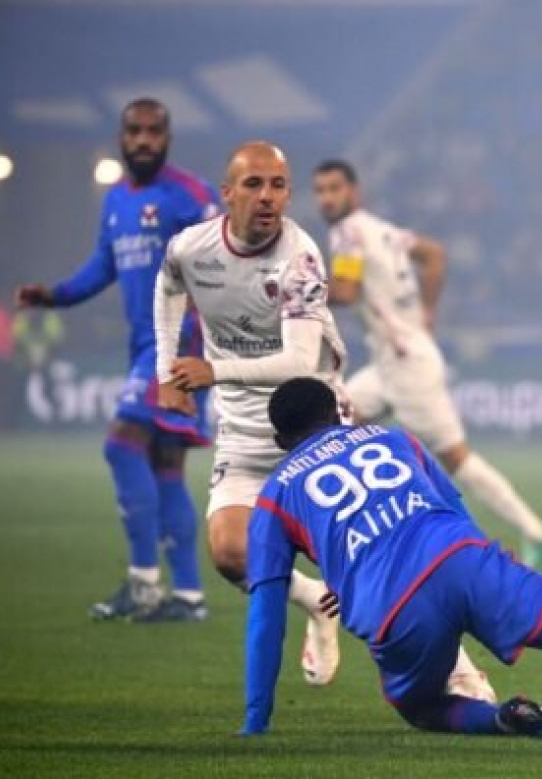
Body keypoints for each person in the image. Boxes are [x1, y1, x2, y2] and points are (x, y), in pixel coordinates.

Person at [238, 377, 542, 738]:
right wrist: (483, 555)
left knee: (422, 707)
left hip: (393, 609)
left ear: (280, 443)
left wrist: (256, 719)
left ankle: (502, 720)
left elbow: (266, 617)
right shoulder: (395, 439)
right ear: (337, 415)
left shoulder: (273, 497)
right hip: (465, 562)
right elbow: (452, 508)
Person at [16, 98, 217, 622]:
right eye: (135, 131)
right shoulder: (115, 201)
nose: (144, 140)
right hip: (142, 343)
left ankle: (144, 582)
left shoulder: (191, 196)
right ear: (122, 137)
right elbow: (102, 266)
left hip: (178, 341)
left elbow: (223, 259)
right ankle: (189, 596)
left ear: (168, 137)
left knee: (121, 444)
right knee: (165, 465)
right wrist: (53, 296)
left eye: (154, 131)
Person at [153, 141, 347, 684]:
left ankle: (460, 674)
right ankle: (316, 602)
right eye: (255, 184)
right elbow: (167, 284)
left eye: (279, 185)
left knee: (369, 564)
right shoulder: (190, 248)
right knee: (231, 553)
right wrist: (167, 371)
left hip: (314, 427)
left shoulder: (300, 258)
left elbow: (299, 361)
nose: (268, 197)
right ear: (228, 193)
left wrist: (212, 372)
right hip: (241, 430)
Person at [312, 159, 542, 567]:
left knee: (456, 457)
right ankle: (364, 530)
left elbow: (346, 290)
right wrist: (427, 310)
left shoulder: (347, 233)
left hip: (406, 361)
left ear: (354, 192)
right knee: (332, 423)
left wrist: (296, 289)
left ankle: (535, 532)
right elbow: (434, 254)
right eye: (320, 190)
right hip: (389, 359)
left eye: (334, 188)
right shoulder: (384, 231)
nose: (326, 198)